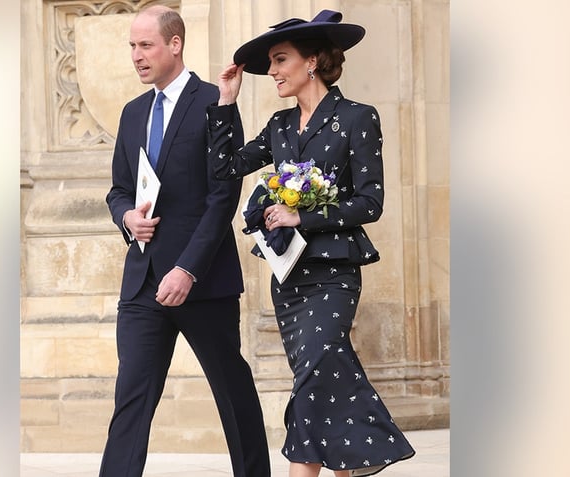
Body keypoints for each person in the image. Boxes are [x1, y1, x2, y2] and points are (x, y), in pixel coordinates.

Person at [207, 9, 416, 477]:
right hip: (289, 279)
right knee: (318, 382)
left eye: (281, 60)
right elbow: (224, 169)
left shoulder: (358, 118)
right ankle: (351, 464)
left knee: (314, 375)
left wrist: (302, 213)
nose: (274, 71)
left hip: (335, 273)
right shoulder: (279, 126)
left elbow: (370, 203)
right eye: (272, 63)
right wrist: (226, 102)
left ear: (313, 62)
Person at [101, 6, 271, 477]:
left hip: (203, 280)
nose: (136, 56)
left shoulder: (214, 101)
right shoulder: (133, 113)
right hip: (141, 284)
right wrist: (127, 218)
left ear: (174, 44)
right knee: (130, 400)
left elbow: (223, 196)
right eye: (132, 47)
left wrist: (188, 269)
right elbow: (118, 189)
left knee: (231, 392)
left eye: (145, 45)